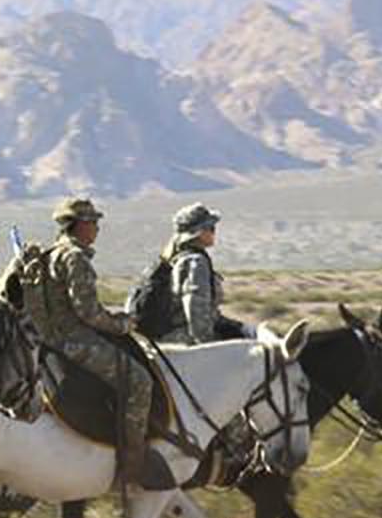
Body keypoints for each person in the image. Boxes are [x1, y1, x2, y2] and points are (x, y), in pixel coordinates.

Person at [33, 198, 169, 489]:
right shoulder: (75, 258)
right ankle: (132, 465)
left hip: (53, 337)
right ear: (79, 225)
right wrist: (123, 323)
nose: (97, 228)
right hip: (75, 341)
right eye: (93, 222)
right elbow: (88, 313)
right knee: (140, 381)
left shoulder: (52, 253)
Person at [161, 203, 252, 343]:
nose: (214, 232)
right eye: (211, 228)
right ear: (199, 232)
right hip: (185, 341)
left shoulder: (177, 259)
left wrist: (237, 327)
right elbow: (195, 310)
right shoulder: (196, 262)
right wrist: (209, 346)